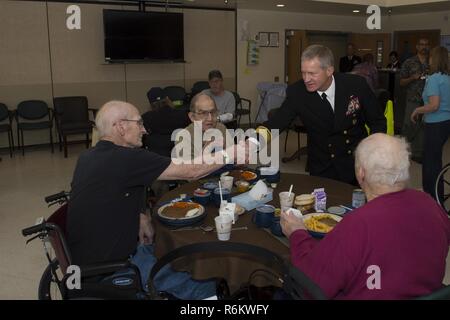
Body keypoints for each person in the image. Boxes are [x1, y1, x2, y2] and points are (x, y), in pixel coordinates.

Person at [66, 100, 245, 300]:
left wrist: (140, 215)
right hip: (115, 268)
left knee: (182, 256)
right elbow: (192, 170)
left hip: (85, 260)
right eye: (139, 123)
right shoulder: (127, 158)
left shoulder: (89, 156)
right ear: (121, 126)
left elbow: (111, 193)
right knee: (205, 284)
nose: (144, 130)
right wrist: (232, 153)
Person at [281, 133, 450, 299]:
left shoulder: (359, 224)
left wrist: (298, 234)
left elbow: (311, 284)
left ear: (361, 173)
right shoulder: (432, 205)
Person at [257, 44, 386, 185]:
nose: (306, 79)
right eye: (303, 73)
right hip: (322, 165)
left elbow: (377, 121)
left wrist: (372, 155)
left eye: (312, 73)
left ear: (329, 70)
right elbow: (275, 124)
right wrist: (251, 143)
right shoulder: (297, 92)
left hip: (355, 162)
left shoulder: (355, 85)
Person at [410, 46, 450, 202]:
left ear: (435, 59)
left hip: (435, 124)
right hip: (445, 124)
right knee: (435, 160)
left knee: (430, 163)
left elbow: (434, 105)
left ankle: (431, 197)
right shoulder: (447, 78)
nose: (429, 59)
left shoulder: (434, 79)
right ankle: (435, 194)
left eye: (431, 57)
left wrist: (417, 110)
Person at [175, 93, 233, 162]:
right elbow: (190, 170)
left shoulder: (220, 128)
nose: (210, 118)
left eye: (213, 112)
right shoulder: (184, 136)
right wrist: (206, 150)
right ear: (192, 117)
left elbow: (231, 159)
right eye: (203, 113)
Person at [400, 38, 430, 164]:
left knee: (423, 127)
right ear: (417, 47)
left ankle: (418, 153)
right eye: (422, 44)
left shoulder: (432, 62)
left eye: (426, 44)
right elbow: (401, 82)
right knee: (409, 125)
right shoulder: (409, 62)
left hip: (428, 100)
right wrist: (412, 77)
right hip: (413, 99)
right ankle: (402, 151)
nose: (424, 47)